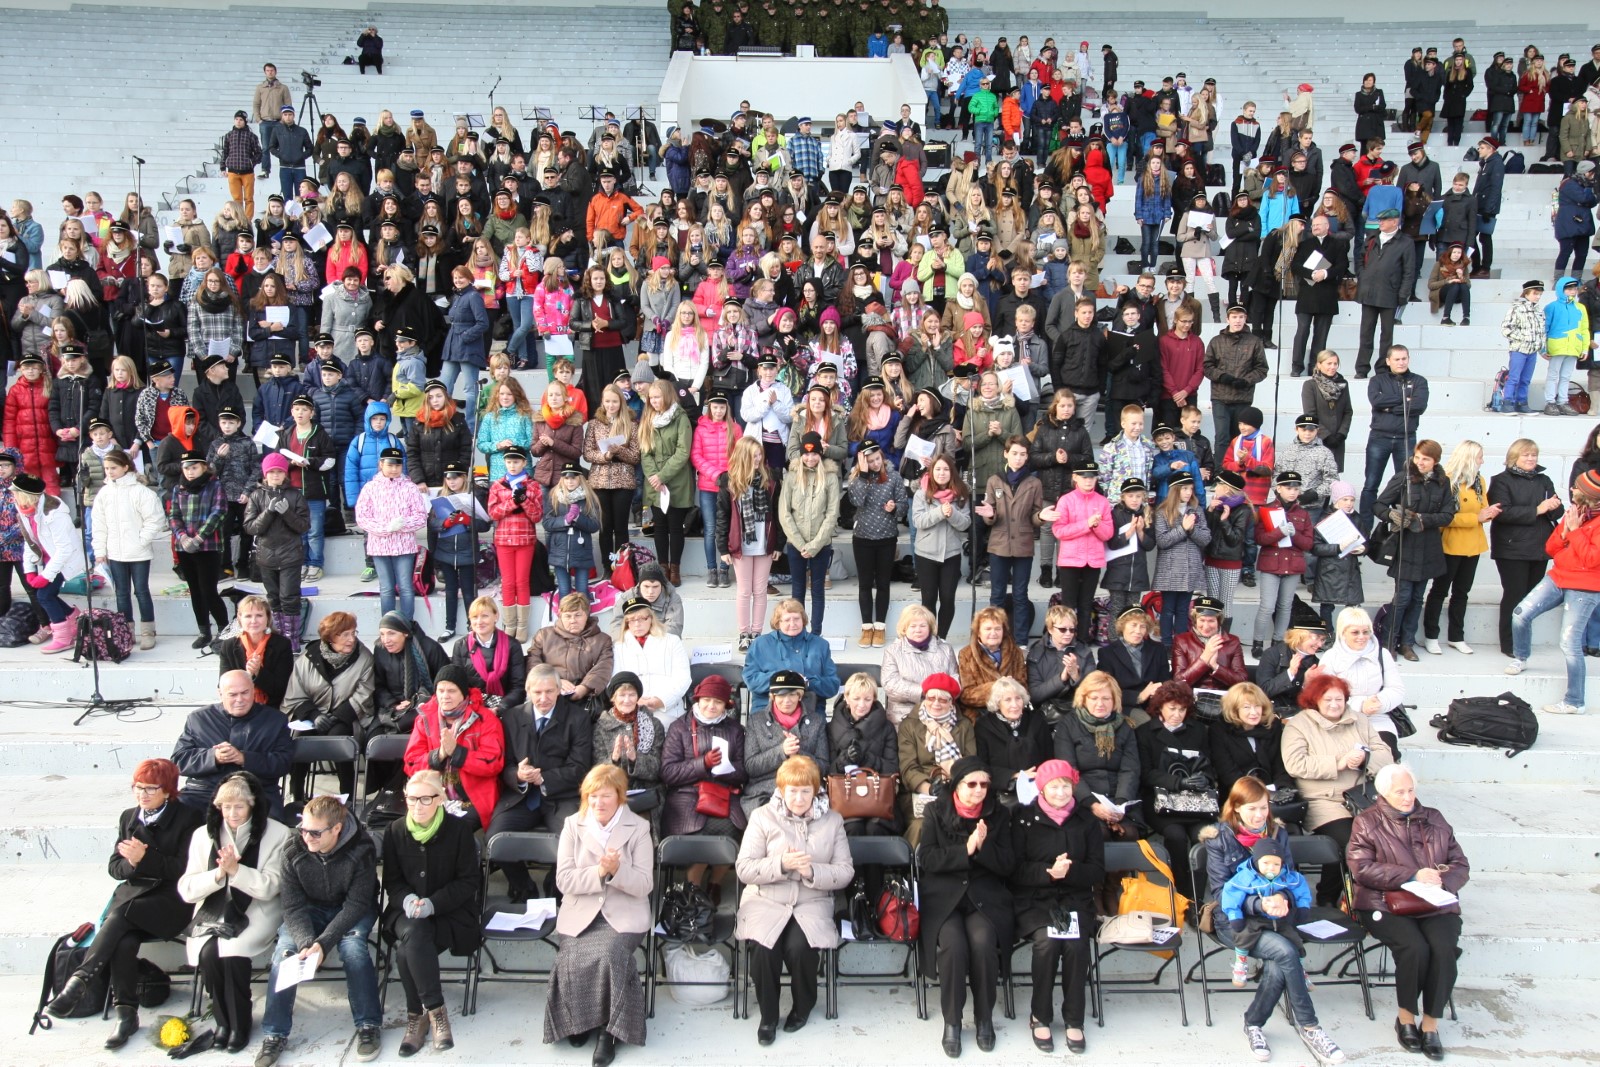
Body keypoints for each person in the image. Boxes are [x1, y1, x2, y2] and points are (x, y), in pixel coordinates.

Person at [42, 759, 206, 1047]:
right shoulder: (129, 817)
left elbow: (184, 868)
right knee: (124, 939)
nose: (142, 795)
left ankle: (81, 980)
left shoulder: (189, 818)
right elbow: (114, 868)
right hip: (135, 895)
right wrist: (132, 864)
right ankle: (126, 1015)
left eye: (150, 788)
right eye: (137, 788)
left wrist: (147, 859)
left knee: (121, 915)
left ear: (167, 790)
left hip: (172, 899)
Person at [1200, 777, 1345, 1064]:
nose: (1259, 816)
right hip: (1236, 920)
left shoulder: (1277, 834)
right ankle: (1310, 1027)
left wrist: (1282, 899)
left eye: (1264, 808)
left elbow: (1289, 876)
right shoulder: (1219, 838)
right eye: (1252, 809)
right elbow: (1220, 891)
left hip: (1276, 918)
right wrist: (1259, 902)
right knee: (1286, 952)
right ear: (1236, 808)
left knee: (1280, 958)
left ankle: (1253, 1023)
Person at [1348, 763, 1470, 1060]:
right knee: (1415, 948)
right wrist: (1411, 876)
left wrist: (1443, 880)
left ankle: (1430, 1024)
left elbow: (1460, 863)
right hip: (1383, 903)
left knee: (1442, 949)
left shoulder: (1434, 819)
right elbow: (1361, 869)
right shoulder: (1367, 822)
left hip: (1435, 903)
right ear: (1383, 793)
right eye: (1399, 792)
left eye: (1411, 790)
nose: (1407, 797)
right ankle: (1405, 1018)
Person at [254, 795, 381, 1067]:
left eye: (315, 832)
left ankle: (368, 1024)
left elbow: (357, 903)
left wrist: (323, 944)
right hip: (309, 908)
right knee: (285, 954)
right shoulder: (293, 848)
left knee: (353, 948)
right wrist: (305, 943)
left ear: (336, 828)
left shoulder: (362, 848)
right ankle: (274, 1033)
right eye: (303, 829)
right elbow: (291, 905)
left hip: (353, 908)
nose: (306, 837)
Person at [540, 765, 653, 1067]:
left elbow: (644, 884)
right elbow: (564, 880)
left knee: (610, 952)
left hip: (624, 912)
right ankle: (579, 1020)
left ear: (619, 797)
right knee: (571, 954)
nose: (599, 803)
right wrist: (599, 872)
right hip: (582, 910)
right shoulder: (572, 825)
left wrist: (617, 872)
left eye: (605, 796)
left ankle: (609, 1032)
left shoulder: (639, 827)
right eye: (592, 797)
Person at [736, 755, 853, 1045]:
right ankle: (768, 1016)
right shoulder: (762, 816)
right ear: (781, 790)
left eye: (805, 791)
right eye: (792, 791)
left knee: (800, 949)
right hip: (766, 899)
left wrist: (811, 870)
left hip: (811, 901)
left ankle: (802, 1007)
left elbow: (845, 871)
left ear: (816, 791)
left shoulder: (833, 821)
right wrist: (782, 864)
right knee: (765, 949)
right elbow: (744, 868)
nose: (799, 798)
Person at [176, 770, 290, 1055]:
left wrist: (237, 872)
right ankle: (222, 1021)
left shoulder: (277, 833)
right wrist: (218, 874)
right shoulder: (203, 835)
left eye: (239, 806)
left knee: (232, 950)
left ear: (251, 804)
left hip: (257, 908)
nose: (233, 813)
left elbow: (271, 885)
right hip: (214, 908)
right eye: (226, 807)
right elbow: (187, 888)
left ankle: (240, 1022)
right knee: (207, 952)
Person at [917, 756, 1015, 1058]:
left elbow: (1008, 865)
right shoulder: (935, 810)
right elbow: (927, 859)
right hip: (944, 897)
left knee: (984, 943)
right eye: (971, 784)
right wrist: (966, 850)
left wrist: (982, 849)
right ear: (956, 785)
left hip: (983, 895)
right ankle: (953, 1021)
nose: (979, 790)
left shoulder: (999, 815)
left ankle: (984, 1017)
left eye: (984, 784)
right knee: (954, 947)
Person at [381, 768, 482, 1056]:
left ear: (440, 799)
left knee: (406, 950)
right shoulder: (395, 830)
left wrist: (432, 904)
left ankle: (417, 1017)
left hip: (449, 913)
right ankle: (436, 1011)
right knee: (413, 931)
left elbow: (468, 882)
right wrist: (410, 900)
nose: (417, 806)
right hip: (406, 912)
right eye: (412, 800)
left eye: (425, 799)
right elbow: (392, 881)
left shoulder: (458, 830)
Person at [1281, 672, 1395, 904]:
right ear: (1315, 701)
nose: (1334, 705)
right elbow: (1295, 764)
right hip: (1323, 800)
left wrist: (1364, 758)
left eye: (1339, 699)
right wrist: (1338, 763)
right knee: (1351, 842)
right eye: (1328, 700)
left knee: (1388, 838)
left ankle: (1375, 897)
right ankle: (1329, 897)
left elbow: (1386, 755)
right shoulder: (1299, 725)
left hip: (1362, 797)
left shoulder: (1359, 720)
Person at [488, 664, 595, 899]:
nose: (543, 698)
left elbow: (580, 767)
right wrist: (517, 775)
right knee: (495, 837)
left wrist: (544, 777)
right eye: (537, 692)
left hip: (561, 795)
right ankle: (523, 886)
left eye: (549, 691)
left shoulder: (577, 718)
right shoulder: (513, 716)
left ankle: (555, 885)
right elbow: (503, 765)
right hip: (521, 796)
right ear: (528, 691)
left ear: (559, 690)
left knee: (576, 839)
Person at [1506, 468, 1600, 713]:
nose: (1571, 489)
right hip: (1558, 577)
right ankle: (1521, 657)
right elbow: (1550, 548)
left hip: (1585, 587)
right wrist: (1567, 532)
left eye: (1577, 487)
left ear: (1590, 495)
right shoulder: (1575, 512)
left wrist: (1576, 532)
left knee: (1569, 644)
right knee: (1520, 614)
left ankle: (1574, 702)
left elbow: (1592, 559)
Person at [1375, 440, 1456, 662]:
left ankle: (1407, 643)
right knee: (1402, 597)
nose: (1420, 462)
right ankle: (1389, 641)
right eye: (1418, 457)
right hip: (1405, 545)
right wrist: (1392, 515)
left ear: (1435, 462)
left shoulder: (1442, 481)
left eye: (1426, 459)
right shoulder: (1403, 478)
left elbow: (1448, 515)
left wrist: (1422, 519)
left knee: (1418, 598)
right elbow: (1379, 505)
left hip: (1429, 546)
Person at [1488, 438, 1562, 659]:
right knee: (1514, 594)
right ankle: (1509, 643)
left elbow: (1556, 512)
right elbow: (1503, 513)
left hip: (1539, 548)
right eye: (1526, 455)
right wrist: (1537, 509)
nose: (1531, 459)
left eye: (1534, 455)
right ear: (1514, 457)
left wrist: (1553, 508)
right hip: (1512, 549)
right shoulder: (1501, 481)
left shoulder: (1544, 479)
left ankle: (1522, 638)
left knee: (1530, 597)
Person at [1052, 671, 1142, 839]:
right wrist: (1092, 804)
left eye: (1106, 698)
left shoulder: (1124, 726)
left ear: (1114, 700)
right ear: (1084, 699)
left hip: (1119, 798)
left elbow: (1130, 770)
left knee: (1129, 834)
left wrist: (1120, 805)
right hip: (1083, 798)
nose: (1100, 704)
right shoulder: (1068, 725)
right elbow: (1069, 770)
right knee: (1097, 834)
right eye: (1094, 698)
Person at [660, 673, 749, 844]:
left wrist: (724, 769)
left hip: (724, 795)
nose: (711, 706)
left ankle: (715, 871)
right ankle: (695, 872)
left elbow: (744, 772)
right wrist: (703, 763)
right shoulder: (679, 727)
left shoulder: (735, 729)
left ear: (726, 705)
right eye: (707, 699)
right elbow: (667, 772)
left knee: (730, 839)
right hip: (686, 796)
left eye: (718, 702)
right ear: (698, 700)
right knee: (696, 838)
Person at [1360, 345, 1428, 529]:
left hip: (1406, 438)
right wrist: (1405, 399)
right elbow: (1376, 401)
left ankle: (1400, 525)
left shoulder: (1419, 381)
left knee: (1407, 482)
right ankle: (1364, 529)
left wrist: (1389, 406)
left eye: (1404, 358)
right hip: (1379, 438)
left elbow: (1419, 406)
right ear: (1388, 361)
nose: (1401, 362)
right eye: (1397, 359)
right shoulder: (1377, 380)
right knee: (1371, 483)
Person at [912, 451, 973, 638]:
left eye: (945, 469)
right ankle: (928, 637)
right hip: (926, 554)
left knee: (947, 599)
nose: (941, 473)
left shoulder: (961, 494)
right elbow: (918, 521)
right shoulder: (922, 493)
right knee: (928, 599)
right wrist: (940, 512)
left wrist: (952, 513)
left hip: (951, 554)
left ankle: (941, 638)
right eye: (937, 469)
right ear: (932, 471)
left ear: (951, 472)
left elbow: (965, 523)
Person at [611, 594, 692, 725]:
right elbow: (614, 680)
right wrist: (634, 701)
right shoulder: (619, 646)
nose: (637, 624)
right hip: (631, 707)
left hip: (667, 709)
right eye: (631, 620)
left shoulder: (672, 641)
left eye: (642, 618)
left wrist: (661, 700)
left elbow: (683, 678)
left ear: (651, 619)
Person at [450, 596, 528, 712]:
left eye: (485, 616)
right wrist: (474, 707)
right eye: (475, 617)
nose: (479, 622)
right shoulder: (460, 646)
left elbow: (518, 687)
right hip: (471, 707)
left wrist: (499, 708)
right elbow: (457, 685)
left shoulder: (513, 645)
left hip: (504, 708)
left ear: (496, 616)